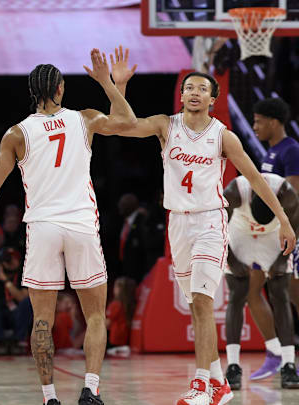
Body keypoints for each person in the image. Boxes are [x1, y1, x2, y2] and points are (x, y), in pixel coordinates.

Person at [111, 47, 296, 405]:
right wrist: (119, 87)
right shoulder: (166, 125)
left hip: (211, 221)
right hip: (177, 224)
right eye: (188, 87)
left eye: (201, 88)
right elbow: (125, 126)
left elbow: (256, 178)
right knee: (197, 308)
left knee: (201, 301)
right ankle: (220, 385)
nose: (194, 92)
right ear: (182, 95)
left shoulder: (223, 136)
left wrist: (285, 220)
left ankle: (200, 386)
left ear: (213, 98)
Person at [0, 48, 138, 405]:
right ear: (60, 89)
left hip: (43, 228)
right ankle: (90, 389)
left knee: (41, 321)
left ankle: (49, 398)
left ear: (32, 92)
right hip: (80, 225)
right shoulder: (85, 119)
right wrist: (109, 83)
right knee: (94, 315)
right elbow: (128, 121)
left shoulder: (17, 133)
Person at [222, 173, 299, 389]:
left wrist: (281, 261)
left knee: (280, 293)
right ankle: (234, 365)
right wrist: (232, 260)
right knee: (238, 293)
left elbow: (294, 232)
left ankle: (288, 364)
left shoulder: (288, 196)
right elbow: (216, 228)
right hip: (240, 231)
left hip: (274, 234)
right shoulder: (236, 191)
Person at [253, 97, 299, 338]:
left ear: (273, 122)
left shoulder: (291, 150)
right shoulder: (271, 151)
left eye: (259, 122)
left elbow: (292, 194)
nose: (254, 127)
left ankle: (283, 352)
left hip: (288, 232)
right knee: (280, 292)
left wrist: (283, 230)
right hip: (271, 231)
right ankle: (282, 352)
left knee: (291, 292)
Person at [105, 277, 135, 357]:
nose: (113, 289)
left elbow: (106, 324)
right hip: (125, 340)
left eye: (115, 286)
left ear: (120, 289)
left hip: (114, 341)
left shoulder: (115, 304)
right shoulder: (131, 304)